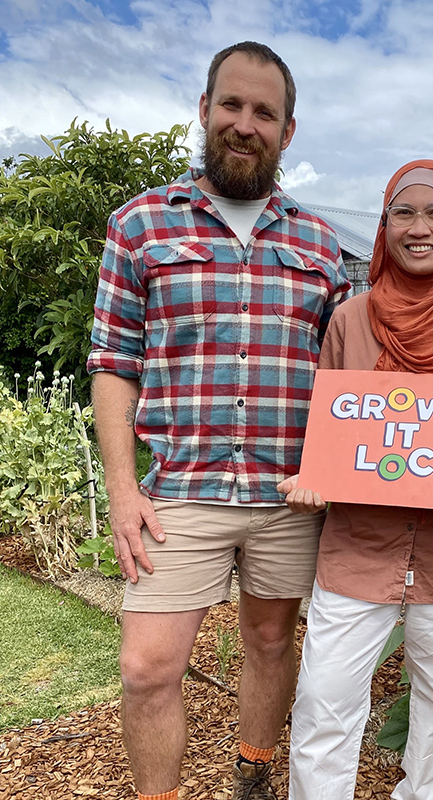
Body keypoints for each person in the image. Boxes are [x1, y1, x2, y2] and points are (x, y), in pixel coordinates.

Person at [87, 41, 350, 800]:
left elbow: (340, 376)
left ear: (287, 131)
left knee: (271, 640)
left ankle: (254, 769)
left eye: (264, 112)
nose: (246, 123)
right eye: (231, 105)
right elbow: (113, 361)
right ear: (204, 111)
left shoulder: (320, 246)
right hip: (181, 490)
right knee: (146, 669)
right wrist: (122, 490)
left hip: (287, 496)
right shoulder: (140, 226)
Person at [277, 160, 433, 800]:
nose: (419, 228)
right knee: (324, 705)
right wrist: (314, 476)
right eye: (403, 213)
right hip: (358, 550)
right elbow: (334, 429)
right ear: (383, 225)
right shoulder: (351, 320)